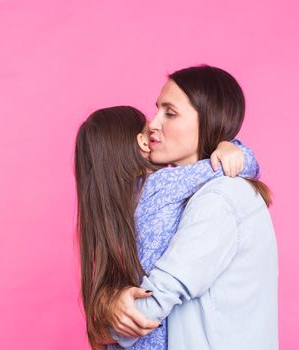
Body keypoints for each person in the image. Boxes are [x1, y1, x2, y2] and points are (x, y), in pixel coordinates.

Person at [105, 65, 278, 350]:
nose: (153, 123)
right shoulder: (180, 195)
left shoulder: (219, 198)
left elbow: (155, 299)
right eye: (157, 110)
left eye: (170, 113)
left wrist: (104, 327)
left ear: (209, 121)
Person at [74, 103, 260, 349]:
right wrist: (231, 146)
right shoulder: (162, 185)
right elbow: (240, 166)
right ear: (142, 142)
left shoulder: (110, 213)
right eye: (149, 132)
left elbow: (98, 332)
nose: (156, 127)